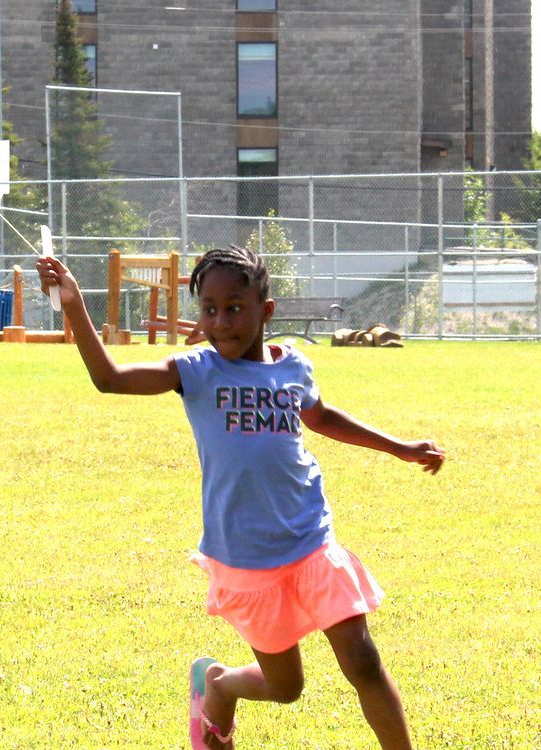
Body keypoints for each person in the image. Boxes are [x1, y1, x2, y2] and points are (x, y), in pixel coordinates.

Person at [36, 245, 444, 750]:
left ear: (265, 311)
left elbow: (322, 417)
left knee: (362, 659)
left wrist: (399, 447)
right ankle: (221, 685)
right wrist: (74, 303)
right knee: (285, 687)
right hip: (245, 560)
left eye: (234, 308)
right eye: (209, 309)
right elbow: (110, 379)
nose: (221, 321)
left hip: (310, 539)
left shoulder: (292, 367)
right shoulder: (196, 371)